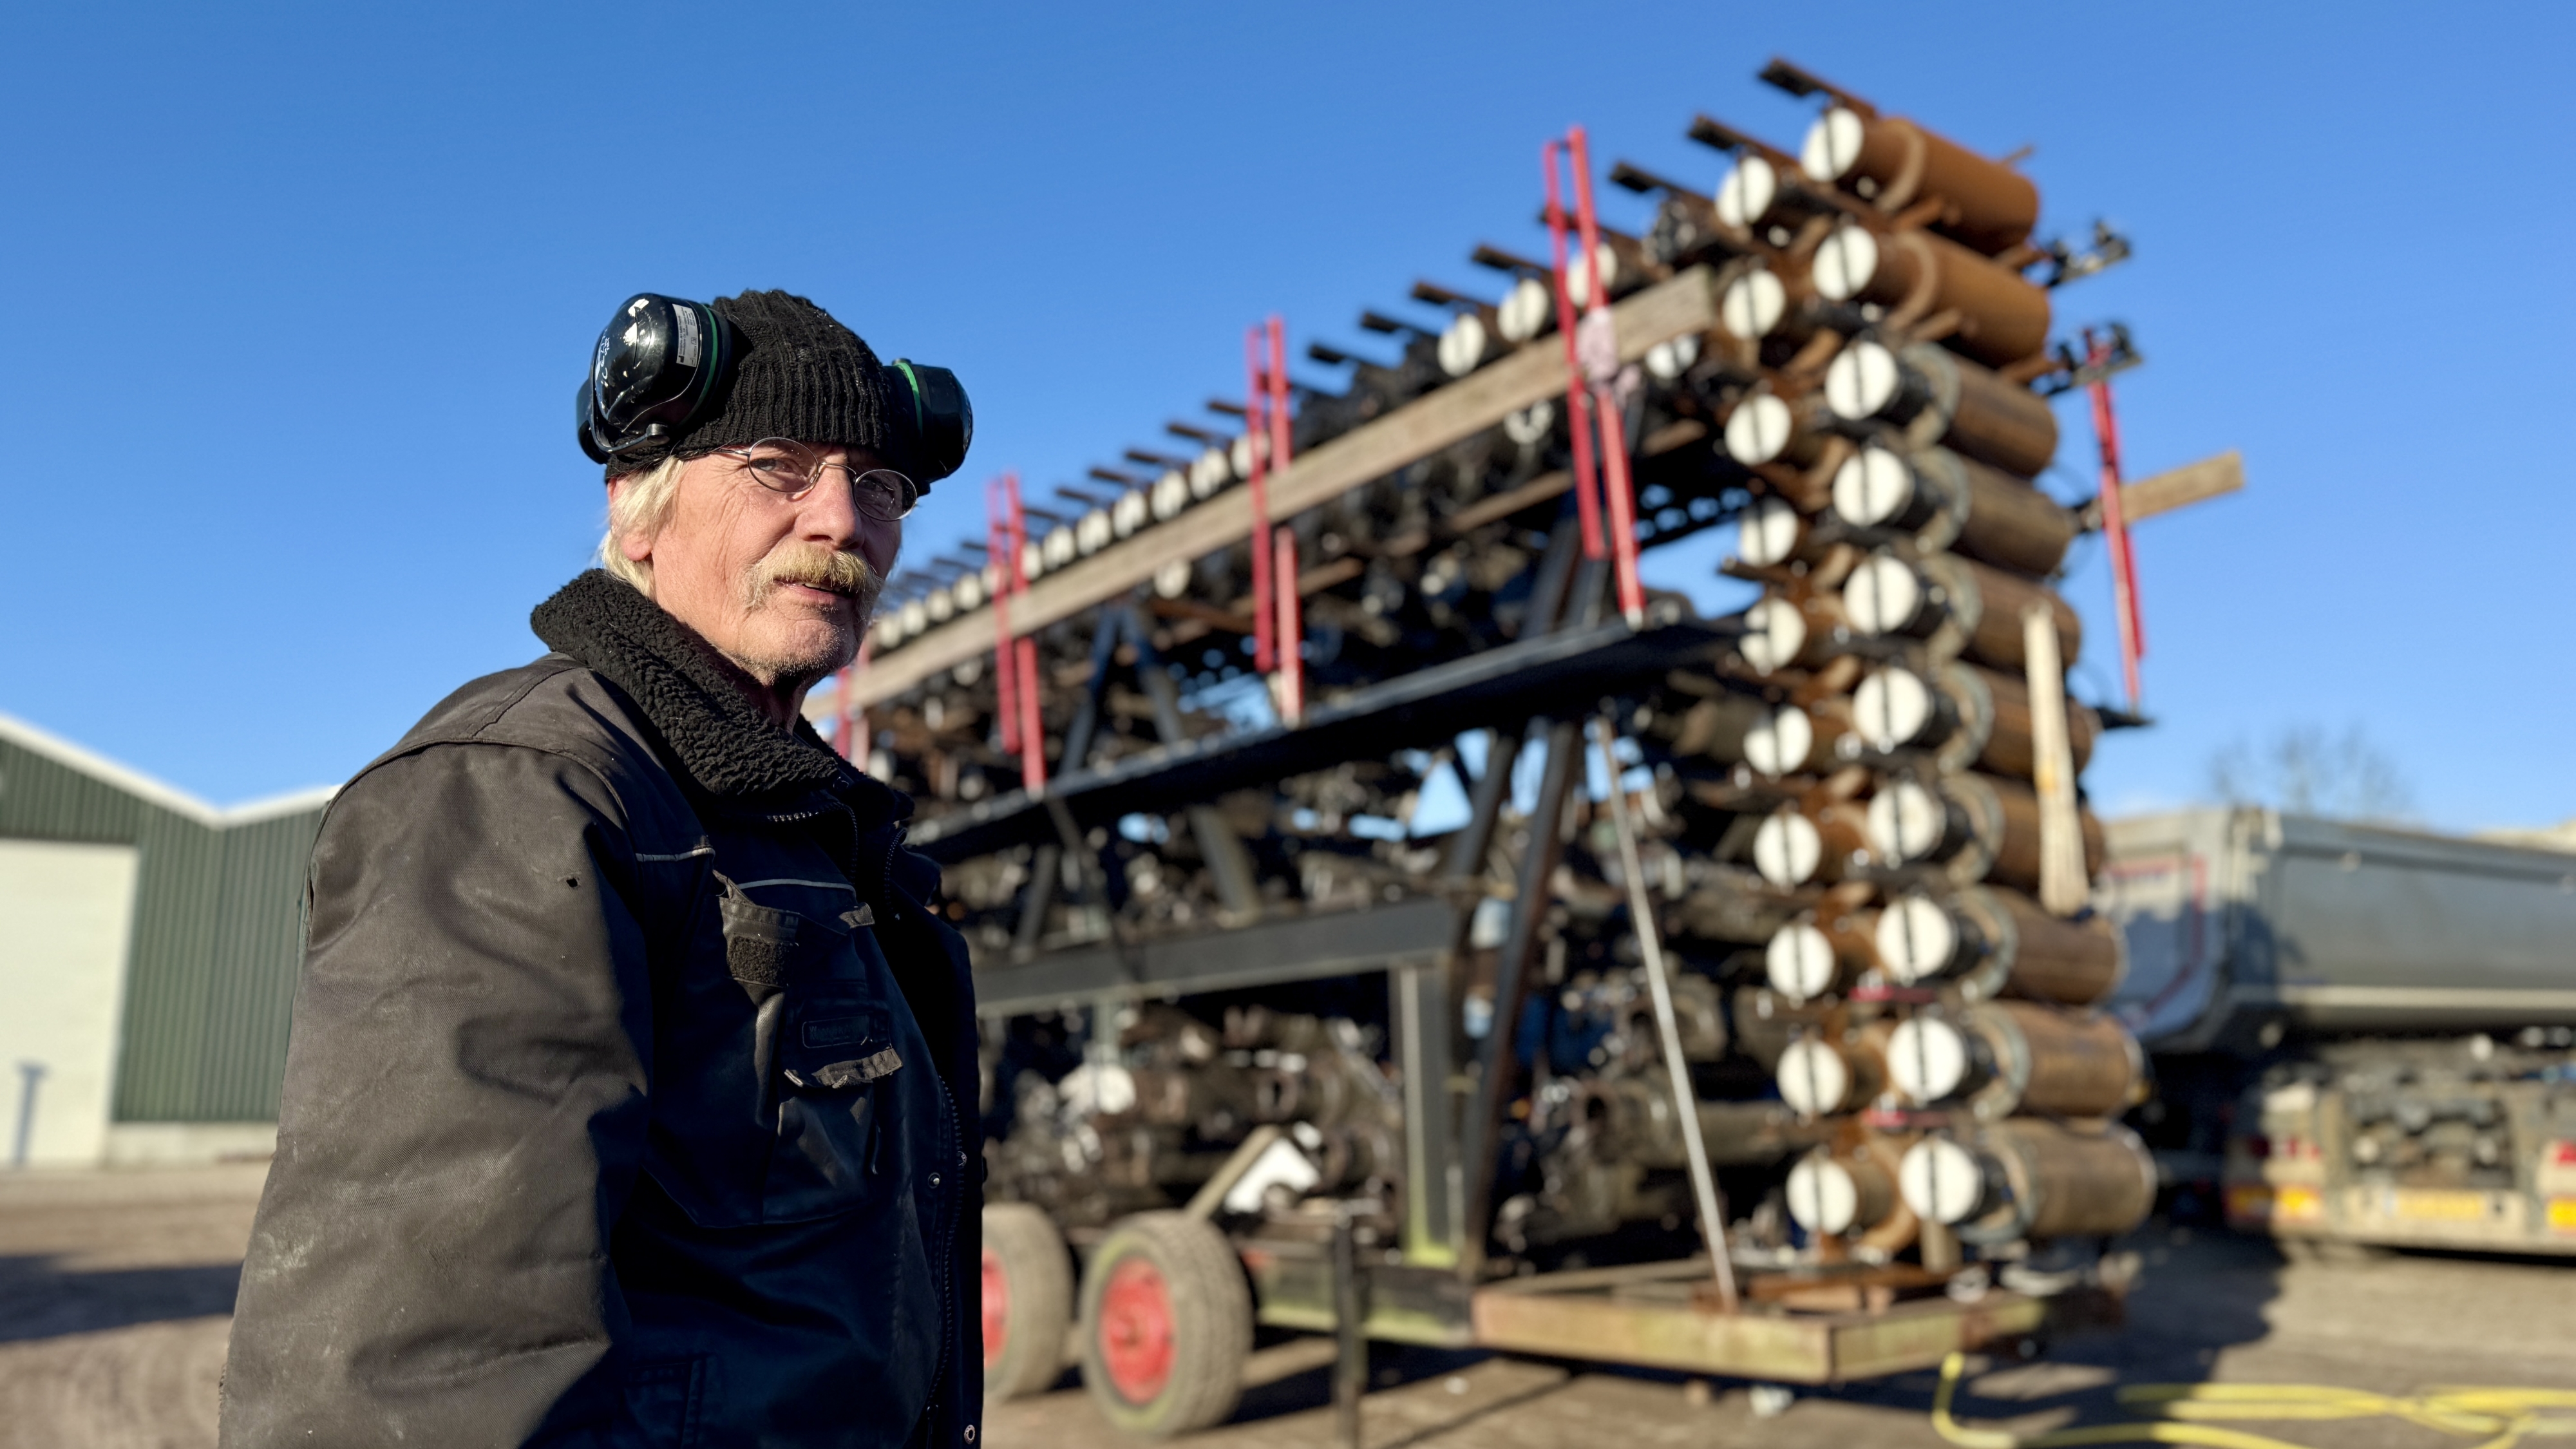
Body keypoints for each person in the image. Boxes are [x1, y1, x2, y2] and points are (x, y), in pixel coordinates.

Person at [220, 290, 982, 1448]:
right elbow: (419, 1381)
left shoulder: (807, 829)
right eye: (778, 465)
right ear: (636, 510)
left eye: (878, 485)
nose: (842, 518)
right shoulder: (520, 792)